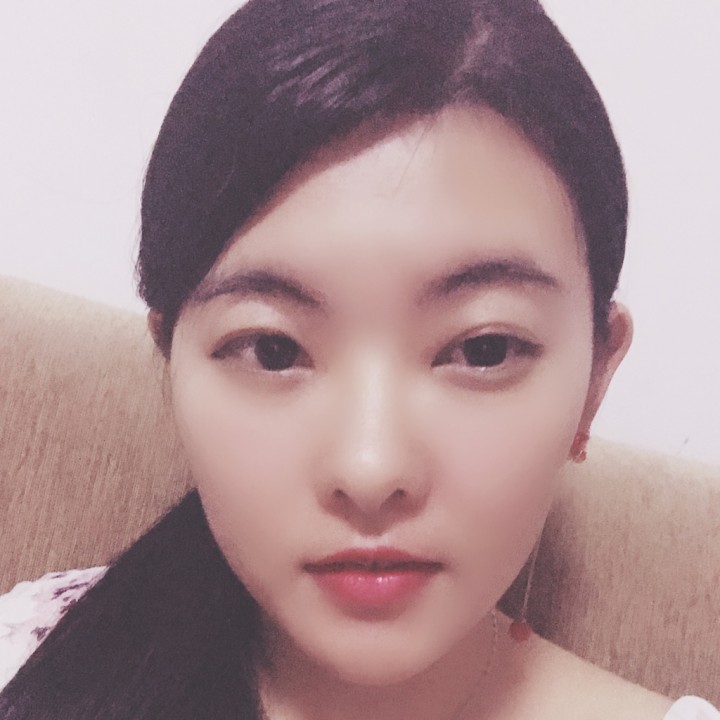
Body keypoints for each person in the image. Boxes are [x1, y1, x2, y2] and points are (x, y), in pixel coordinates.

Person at [0, 0, 717, 718]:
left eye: (483, 349)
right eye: (273, 350)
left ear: (595, 379)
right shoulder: (36, 658)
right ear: (171, 361)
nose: (370, 470)